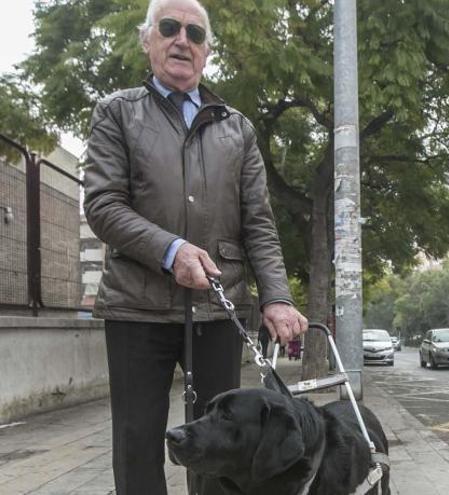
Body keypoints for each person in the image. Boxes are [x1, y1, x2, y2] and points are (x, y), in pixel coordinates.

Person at [82, 0, 308, 493]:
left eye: (195, 33)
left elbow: (259, 225)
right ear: (148, 41)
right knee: (138, 441)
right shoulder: (115, 113)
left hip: (216, 311)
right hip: (135, 308)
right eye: (169, 28)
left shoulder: (238, 128)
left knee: (222, 445)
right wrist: (171, 250)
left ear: (207, 51)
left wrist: (277, 296)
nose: (182, 39)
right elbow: (102, 204)